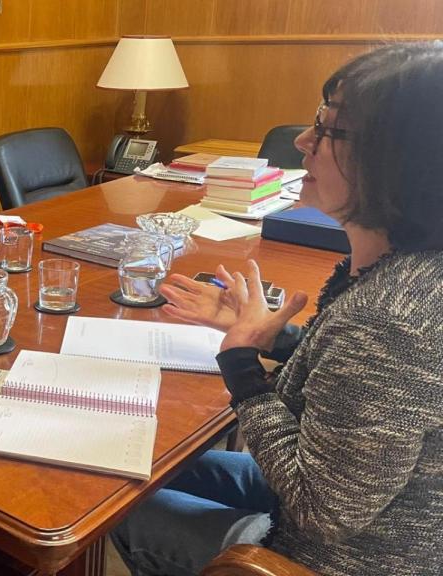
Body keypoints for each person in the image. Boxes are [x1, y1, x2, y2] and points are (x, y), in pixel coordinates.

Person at [111, 43, 443, 576]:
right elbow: (357, 386)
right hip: (352, 496)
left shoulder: (389, 321)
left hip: (333, 554)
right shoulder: (407, 270)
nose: (303, 140)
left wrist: (243, 364)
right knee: (133, 463)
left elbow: (323, 511)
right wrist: (273, 336)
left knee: (111, 510)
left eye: (328, 129)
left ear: (399, 159)